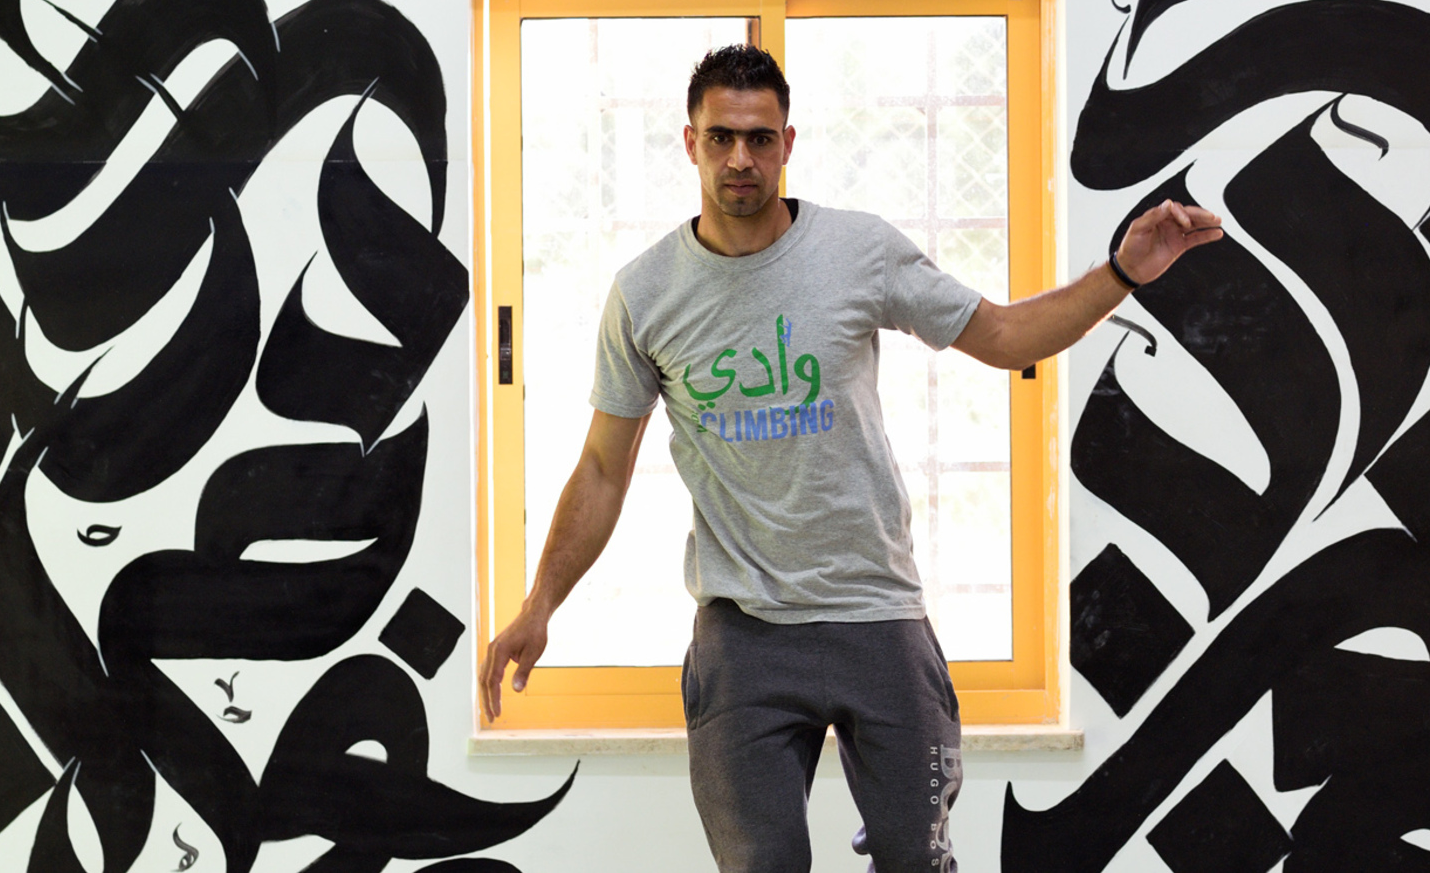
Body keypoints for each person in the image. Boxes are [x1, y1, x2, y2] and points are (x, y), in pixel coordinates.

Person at [481, 44, 1222, 872]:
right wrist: (540, 604)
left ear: (788, 144)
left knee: (916, 860)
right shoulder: (646, 293)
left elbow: (1008, 335)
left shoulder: (859, 252)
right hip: (744, 633)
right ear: (690, 143)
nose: (740, 158)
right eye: (721, 137)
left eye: (760, 138)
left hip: (878, 614)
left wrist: (1124, 271)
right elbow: (601, 468)